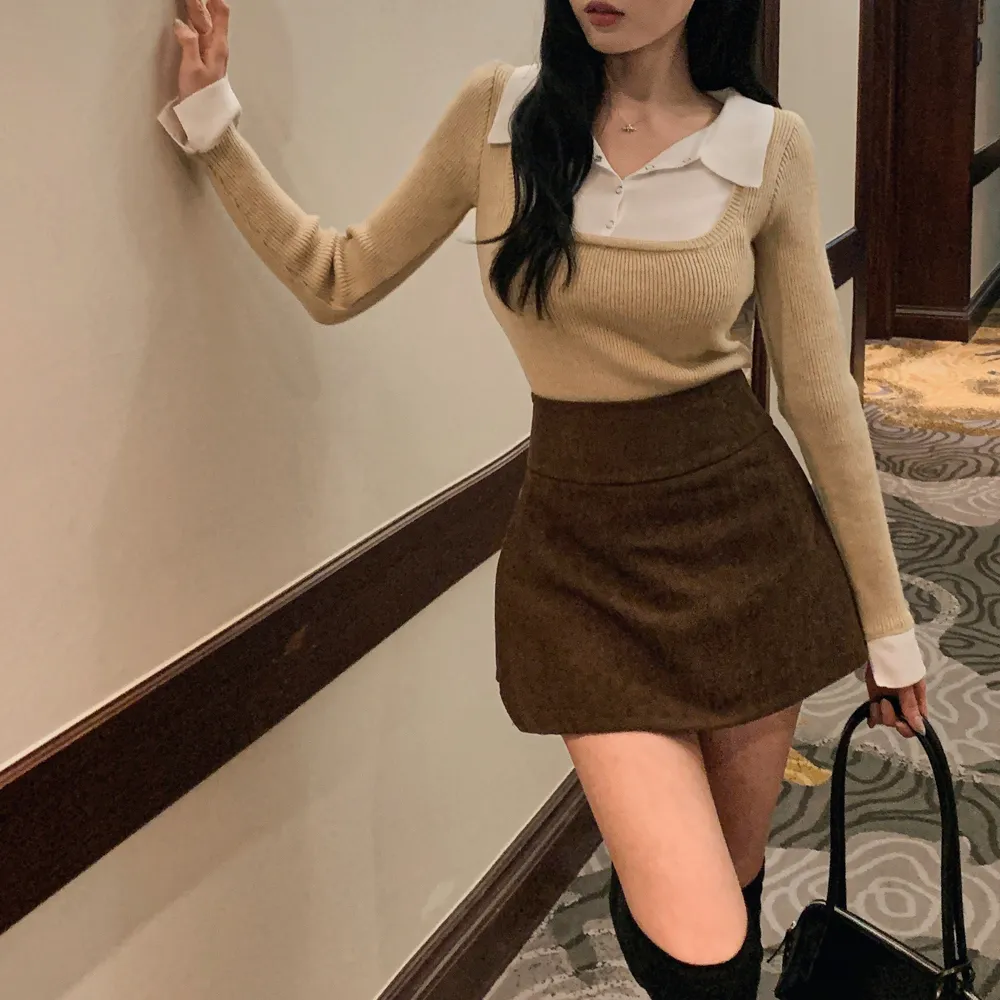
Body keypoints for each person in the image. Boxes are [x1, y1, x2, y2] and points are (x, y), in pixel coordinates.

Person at [160, 1, 931, 996]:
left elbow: (819, 398)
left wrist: (887, 623)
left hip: (750, 556)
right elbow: (336, 276)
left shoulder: (767, 146)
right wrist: (215, 127)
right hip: (579, 567)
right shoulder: (499, 116)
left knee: (731, 900)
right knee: (699, 945)